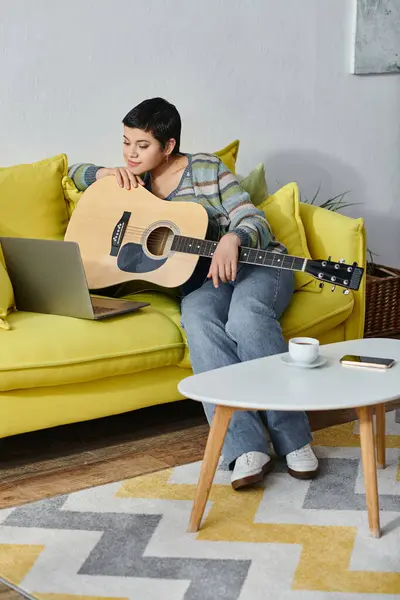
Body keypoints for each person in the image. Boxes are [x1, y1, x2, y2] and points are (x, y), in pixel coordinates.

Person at [69, 97, 319, 489]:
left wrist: (233, 238)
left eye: (142, 146)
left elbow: (251, 216)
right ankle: (244, 445)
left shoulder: (206, 168)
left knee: (247, 317)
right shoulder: (133, 186)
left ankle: (293, 439)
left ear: (168, 146)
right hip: (206, 282)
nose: (131, 154)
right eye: (126, 143)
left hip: (259, 264)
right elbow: (72, 173)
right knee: (199, 319)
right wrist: (103, 172)